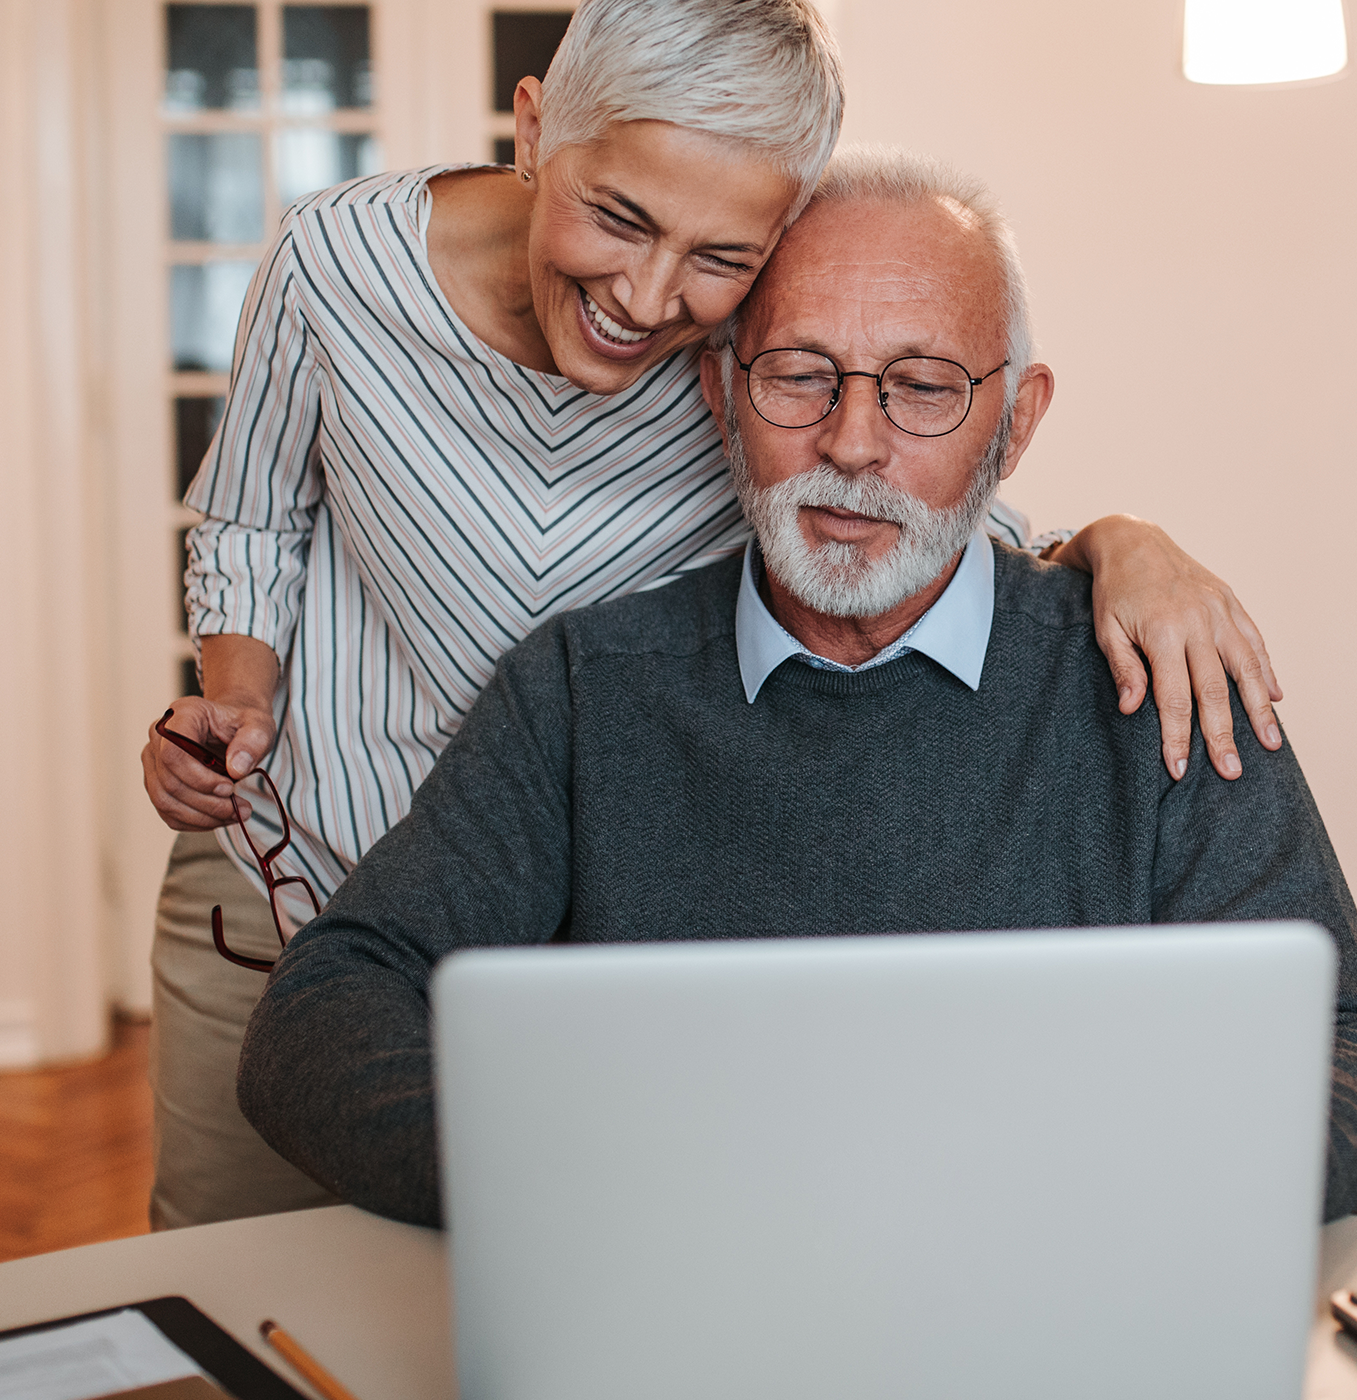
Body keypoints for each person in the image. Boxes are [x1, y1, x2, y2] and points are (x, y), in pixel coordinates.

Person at [141, 0, 1296, 1230]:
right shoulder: (336, 261)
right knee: (239, 1272)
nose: (644, 297)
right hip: (297, 873)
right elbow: (251, 517)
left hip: (554, 918)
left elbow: (915, 500)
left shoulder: (742, 359)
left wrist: (1123, 545)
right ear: (532, 130)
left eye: (720, 255)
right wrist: (238, 707)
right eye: (617, 215)